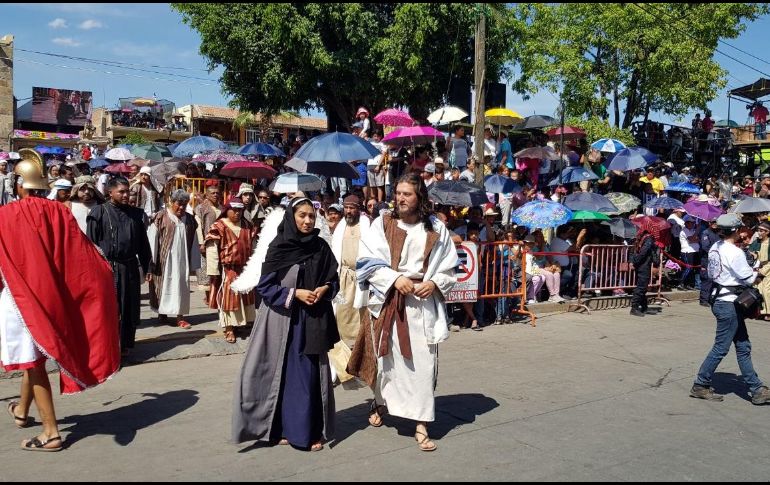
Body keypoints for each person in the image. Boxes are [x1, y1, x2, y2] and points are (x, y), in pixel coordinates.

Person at [0, 149, 120, 452]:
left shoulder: (6, 215)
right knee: (35, 356)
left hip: (21, 299)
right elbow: (79, 255)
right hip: (50, 295)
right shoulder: (59, 211)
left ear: (19, 184)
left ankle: (51, 433)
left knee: (32, 362)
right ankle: (21, 411)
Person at [348, 173, 458, 452]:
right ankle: (380, 402)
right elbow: (367, 261)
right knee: (386, 361)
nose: (400, 198)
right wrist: (394, 279)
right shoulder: (383, 223)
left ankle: (421, 424)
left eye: (407, 194)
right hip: (389, 301)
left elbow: (449, 267)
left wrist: (434, 283)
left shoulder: (436, 227)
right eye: (398, 193)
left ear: (420, 197)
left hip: (422, 306)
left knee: (423, 365)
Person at [232, 197, 340, 452]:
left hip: (311, 322)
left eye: (311, 216)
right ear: (292, 217)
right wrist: (296, 294)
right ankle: (276, 429)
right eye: (302, 215)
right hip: (281, 322)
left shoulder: (321, 247)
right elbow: (265, 287)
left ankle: (305, 432)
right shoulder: (279, 247)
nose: (307, 221)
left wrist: (325, 288)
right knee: (275, 376)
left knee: (306, 377)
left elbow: (333, 279)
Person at [691, 214, 770, 404]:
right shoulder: (734, 252)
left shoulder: (715, 248)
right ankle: (700, 384)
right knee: (721, 347)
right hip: (728, 303)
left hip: (721, 299)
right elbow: (749, 278)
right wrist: (760, 269)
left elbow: (715, 272)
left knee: (743, 346)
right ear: (736, 230)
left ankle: (757, 388)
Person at [87, 176, 152, 355]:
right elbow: (91, 245)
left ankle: (124, 345)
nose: (125, 195)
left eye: (127, 191)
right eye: (121, 192)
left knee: (129, 307)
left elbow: (143, 244)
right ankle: (108, 346)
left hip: (130, 267)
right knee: (111, 308)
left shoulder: (136, 214)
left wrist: (147, 266)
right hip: (108, 268)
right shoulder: (98, 213)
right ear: (110, 192)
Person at [205, 197, 258, 344]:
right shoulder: (218, 226)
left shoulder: (247, 226)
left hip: (245, 269)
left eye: (240, 210)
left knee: (246, 297)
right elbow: (211, 248)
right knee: (228, 299)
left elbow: (254, 247)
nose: (237, 213)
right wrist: (213, 270)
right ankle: (228, 328)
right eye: (234, 210)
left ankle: (241, 324)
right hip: (228, 270)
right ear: (227, 210)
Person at [329, 195, 371, 382]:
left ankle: (361, 358)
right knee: (343, 315)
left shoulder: (366, 226)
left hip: (361, 278)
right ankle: (345, 359)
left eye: (352, 208)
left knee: (361, 316)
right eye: (346, 208)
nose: (348, 211)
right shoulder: (340, 227)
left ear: (358, 209)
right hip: (344, 278)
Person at [147, 189, 201, 330]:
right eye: (179, 204)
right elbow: (152, 241)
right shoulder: (160, 217)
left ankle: (180, 317)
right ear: (172, 202)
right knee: (161, 286)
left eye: (185, 204)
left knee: (181, 287)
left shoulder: (190, 220)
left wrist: (194, 263)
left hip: (182, 261)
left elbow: (194, 242)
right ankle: (162, 313)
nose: (182, 207)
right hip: (163, 261)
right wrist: (150, 264)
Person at [194, 181, 223, 291]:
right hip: (206, 243)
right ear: (207, 195)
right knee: (206, 272)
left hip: (220, 243)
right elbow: (197, 226)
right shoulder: (201, 208)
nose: (215, 195)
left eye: (217, 193)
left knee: (217, 271)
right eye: (213, 193)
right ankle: (208, 296)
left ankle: (215, 295)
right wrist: (201, 243)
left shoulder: (222, 208)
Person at [630, 228, 659, 317]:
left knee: (642, 287)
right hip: (644, 265)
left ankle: (644, 307)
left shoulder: (639, 238)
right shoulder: (648, 238)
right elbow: (644, 252)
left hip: (640, 265)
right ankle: (634, 308)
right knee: (641, 287)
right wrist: (635, 261)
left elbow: (633, 251)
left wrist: (633, 261)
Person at [679, 216, 700, 290]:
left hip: (694, 251)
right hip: (687, 252)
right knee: (688, 268)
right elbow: (691, 239)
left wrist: (695, 238)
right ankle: (681, 283)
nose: (693, 224)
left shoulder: (692, 231)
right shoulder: (684, 231)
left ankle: (688, 284)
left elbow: (698, 239)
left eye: (693, 223)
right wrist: (697, 231)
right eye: (691, 223)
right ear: (687, 223)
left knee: (693, 269)